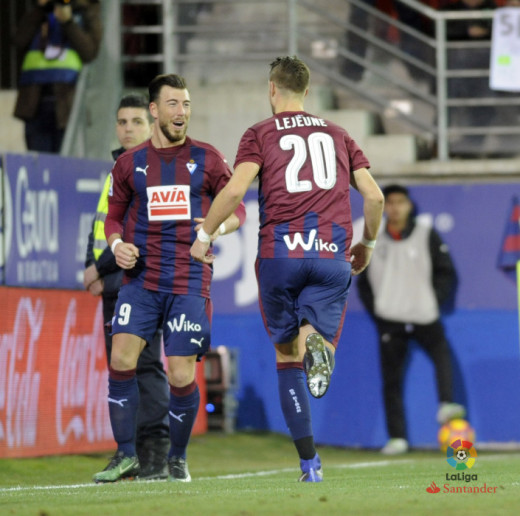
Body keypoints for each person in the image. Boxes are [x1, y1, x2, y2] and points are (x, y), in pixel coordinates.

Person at [190, 56, 384, 482]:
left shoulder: (258, 134)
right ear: (307, 91)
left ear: (272, 89)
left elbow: (236, 188)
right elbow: (375, 198)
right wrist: (366, 243)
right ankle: (316, 340)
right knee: (315, 343)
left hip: (280, 255)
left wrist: (204, 236)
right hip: (331, 253)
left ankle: (309, 463)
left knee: (286, 356)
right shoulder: (338, 134)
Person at [92, 73, 246, 483]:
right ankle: (126, 455)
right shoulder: (129, 163)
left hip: (188, 281)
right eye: (174, 104)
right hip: (140, 280)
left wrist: (214, 230)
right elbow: (112, 216)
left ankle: (177, 458)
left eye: (187, 104)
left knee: (179, 374)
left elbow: (239, 210)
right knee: (121, 360)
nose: (182, 113)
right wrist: (117, 242)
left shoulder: (208, 158)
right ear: (155, 110)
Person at [84, 93, 171, 481]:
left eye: (136, 121)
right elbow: (104, 223)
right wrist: (94, 262)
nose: (128, 128)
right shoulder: (119, 166)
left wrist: (97, 270)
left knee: (145, 367)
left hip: (139, 281)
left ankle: (155, 456)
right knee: (123, 369)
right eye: (122, 122)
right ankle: (130, 454)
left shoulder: (150, 168)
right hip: (114, 282)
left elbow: (142, 232)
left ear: (151, 124)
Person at [357, 184, 466, 455]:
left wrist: (432, 300)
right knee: (391, 380)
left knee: (442, 356)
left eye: (400, 202)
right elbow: (363, 280)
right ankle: (397, 438)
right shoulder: (373, 238)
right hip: (390, 319)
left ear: (409, 205)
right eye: (389, 202)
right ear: (384, 207)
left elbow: (446, 272)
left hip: (423, 315)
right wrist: (378, 310)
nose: (394, 207)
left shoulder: (426, 234)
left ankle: (445, 404)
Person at [12, 0, 102, 153]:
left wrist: (68, 22)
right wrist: (40, 8)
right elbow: (19, 40)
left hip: (68, 105)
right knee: (38, 166)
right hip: (35, 104)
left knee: (65, 164)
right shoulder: (40, 11)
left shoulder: (86, 9)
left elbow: (90, 52)